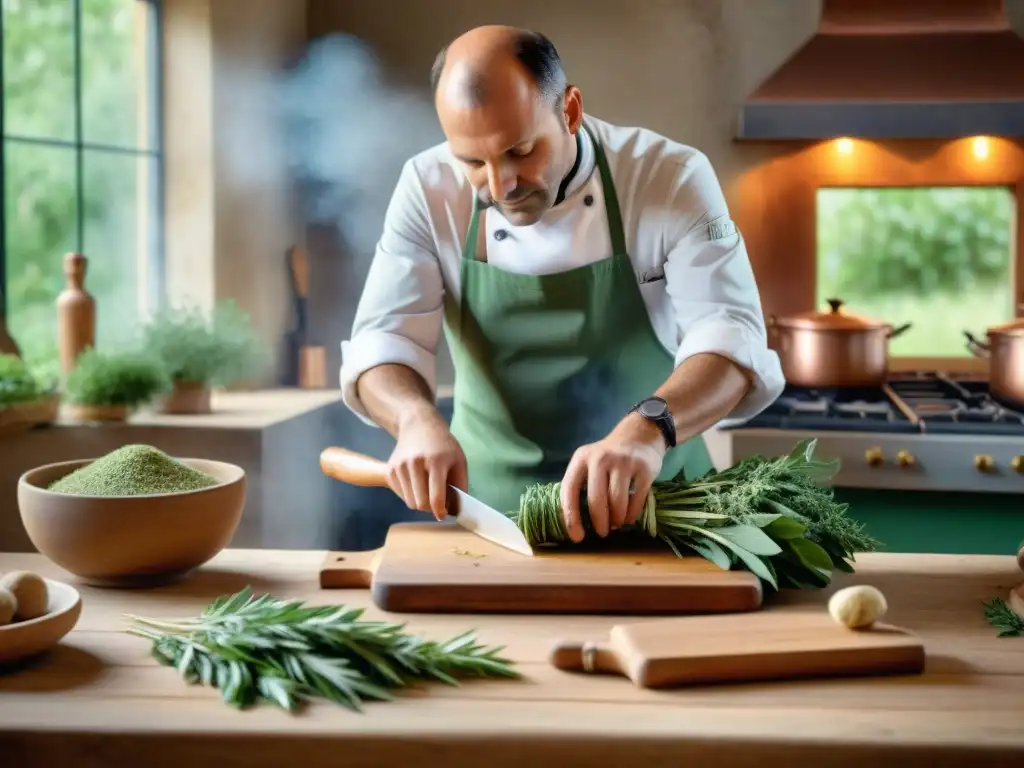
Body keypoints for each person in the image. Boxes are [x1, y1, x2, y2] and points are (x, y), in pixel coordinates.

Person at [339, 25, 784, 543]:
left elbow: (729, 335)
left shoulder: (669, 177)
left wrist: (648, 430)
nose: (501, 185)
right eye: (472, 163)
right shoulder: (426, 187)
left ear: (570, 110)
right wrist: (414, 418)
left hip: (661, 508)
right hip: (491, 522)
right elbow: (383, 340)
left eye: (520, 151)